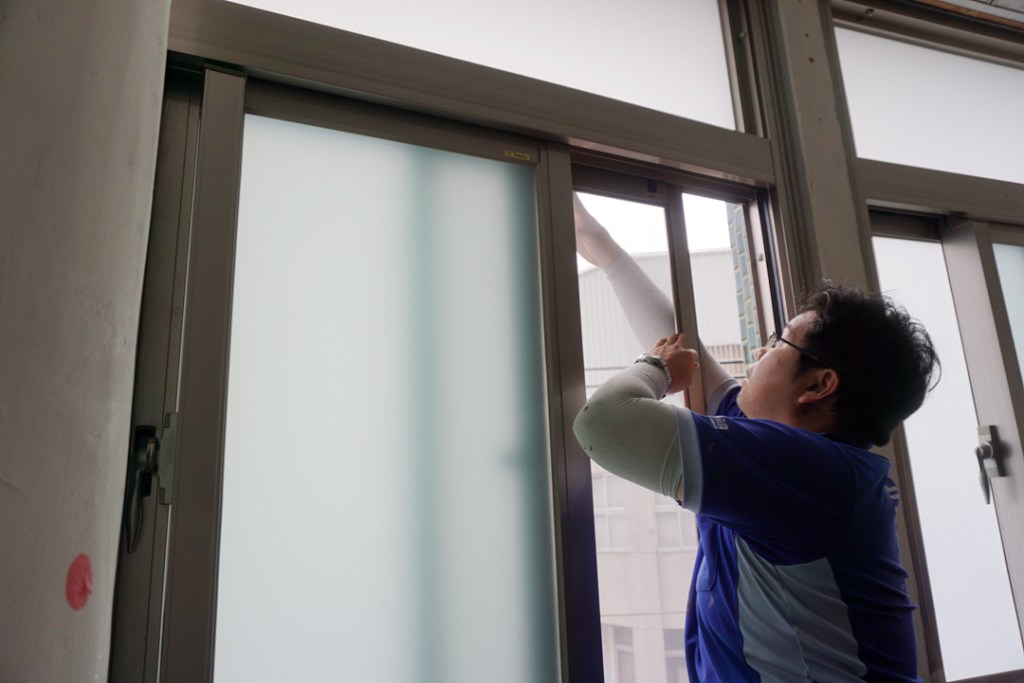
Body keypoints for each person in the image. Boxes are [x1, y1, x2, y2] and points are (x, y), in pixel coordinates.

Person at [572, 195, 939, 682]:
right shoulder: (790, 457)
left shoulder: (808, 475)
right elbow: (686, 348)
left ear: (818, 385)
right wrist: (601, 248)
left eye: (778, 342)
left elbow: (603, 424)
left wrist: (655, 368)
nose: (761, 352)